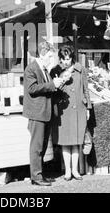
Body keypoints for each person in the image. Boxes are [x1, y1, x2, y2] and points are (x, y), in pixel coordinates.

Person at [23, 41, 65, 187]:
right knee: (37, 146)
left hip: (44, 113)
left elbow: (43, 88)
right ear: (42, 54)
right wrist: (53, 84)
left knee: (41, 146)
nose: (51, 59)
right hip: (37, 113)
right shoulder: (31, 69)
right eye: (50, 56)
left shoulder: (44, 70)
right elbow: (32, 88)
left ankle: (39, 175)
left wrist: (57, 85)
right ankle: (36, 176)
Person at [50, 45, 92, 181]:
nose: (66, 62)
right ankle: (67, 171)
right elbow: (52, 91)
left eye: (68, 59)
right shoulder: (55, 71)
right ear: (60, 59)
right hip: (64, 111)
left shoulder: (80, 69)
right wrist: (62, 80)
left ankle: (75, 170)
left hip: (79, 108)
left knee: (76, 141)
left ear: (72, 58)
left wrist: (88, 108)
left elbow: (86, 89)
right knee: (65, 142)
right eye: (64, 59)